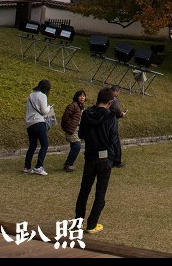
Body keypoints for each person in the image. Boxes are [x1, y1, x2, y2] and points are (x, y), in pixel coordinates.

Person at [75, 87, 122, 234]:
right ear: (110, 102)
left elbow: (81, 133)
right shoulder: (110, 117)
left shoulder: (87, 113)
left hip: (90, 156)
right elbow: (113, 138)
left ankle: (78, 222)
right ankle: (92, 224)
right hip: (105, 158)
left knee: (84, 190)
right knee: (100, 193)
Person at [24, 79, 53, 176]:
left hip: (29, 123)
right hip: (38, 122)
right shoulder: (42, 95)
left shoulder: (31, 95)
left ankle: (27, 167)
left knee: (32, 145)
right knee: (45, 144)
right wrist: (49, 107)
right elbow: (44, 111)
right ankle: (38, 167)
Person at [61, 89, 87, 172]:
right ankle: (68, 164)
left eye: (83, 96)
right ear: (77, 97)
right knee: (77, 146)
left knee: (74, 146)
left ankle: (68, 164)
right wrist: (66, 127)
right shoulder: (72, 105)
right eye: (80, 96)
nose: (82, 97)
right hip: (72, 129)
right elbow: (65, 118)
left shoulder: (80, 106)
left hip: (78, 129)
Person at [108, 85, 128, 167]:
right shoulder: (114, 100)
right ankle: (116, 161)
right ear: (115, 91)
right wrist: (122, 114)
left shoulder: (104, 97)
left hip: (105, 124)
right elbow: (117, 111)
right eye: (118, 92)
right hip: (112, 123)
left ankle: (109, 160)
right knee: (115, 143)